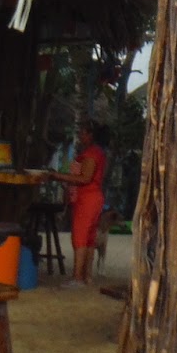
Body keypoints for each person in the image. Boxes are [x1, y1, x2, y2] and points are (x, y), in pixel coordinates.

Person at [46, 122, 108, 288]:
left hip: (87, 198)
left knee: (80, 237)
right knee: (88, 238)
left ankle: (77, 277)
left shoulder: (91, 154)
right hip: (92, 198)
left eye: (82, 133)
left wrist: (58, 176)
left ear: (90, 135)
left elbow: (85, 179)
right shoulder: (95, 152)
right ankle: (86, 276)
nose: (80, 137)